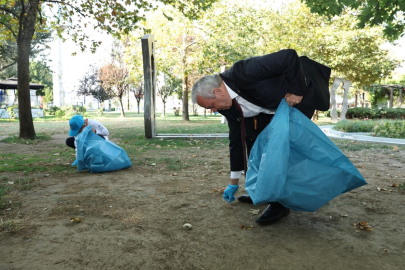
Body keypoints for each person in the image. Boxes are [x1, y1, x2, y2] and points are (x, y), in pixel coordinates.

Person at [191, 49, 331, 225]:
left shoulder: (244, 71)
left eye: (211, 106)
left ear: (218, 92)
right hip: (271, 107)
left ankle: (280, 204)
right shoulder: (227, 106)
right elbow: (237, 141)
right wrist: (233, 181)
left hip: (302, 92)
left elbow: (288, 56)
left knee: (280, 149)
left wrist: (297, 90)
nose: (213, 111)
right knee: (255, 142)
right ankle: (262, 190)